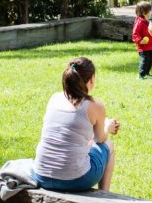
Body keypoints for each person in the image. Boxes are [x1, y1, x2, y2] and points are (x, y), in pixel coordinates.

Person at [32, 58, 120, 192]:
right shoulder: (95, 106)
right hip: (76, 179)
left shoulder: (54, 98)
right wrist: (107, 127)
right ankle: (104, 195)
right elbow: (100, 139)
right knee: (108, 145)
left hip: (41, 174)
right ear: (91, 80)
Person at [132, 1, 152, 79]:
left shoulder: (149, 20)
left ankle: (147, 72)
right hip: (143, 47)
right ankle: (141, 74)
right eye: (150, 10)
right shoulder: (139, 22)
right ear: (144, 13)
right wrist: (140, 40)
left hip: (150, 46)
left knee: (150, 60)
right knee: (144, 61)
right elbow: (135, 34)